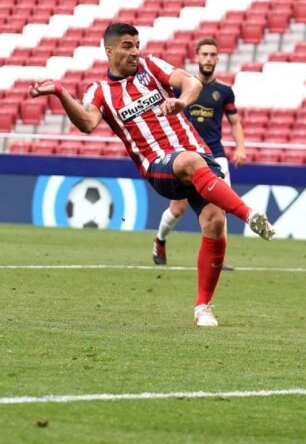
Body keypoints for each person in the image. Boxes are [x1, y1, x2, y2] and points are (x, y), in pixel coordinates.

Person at [28, 23, 275, 328]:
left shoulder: (150, 66)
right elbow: (88, 123)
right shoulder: (100, 91)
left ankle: (203, 308)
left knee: (215, 222)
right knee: (189, 162)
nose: (135, 52)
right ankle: (249, 214)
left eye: (137, 45)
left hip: (198, 157)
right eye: (127, 46)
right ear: (109, 51)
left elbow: (191, 83)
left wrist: (181, 102)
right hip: (158, 165)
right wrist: (61, 92)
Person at [152, 38, 247, 266]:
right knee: (177, 209)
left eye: (212, 54)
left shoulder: (224, 91)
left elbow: (234, 122)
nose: (208, 59)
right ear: (196, 57)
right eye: (204, 54)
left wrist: (241, 147)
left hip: (215, 156)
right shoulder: (183, 87)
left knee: (221, 207)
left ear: (218, 58)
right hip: (186, 156)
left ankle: (218, 259)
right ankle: (160, 240)